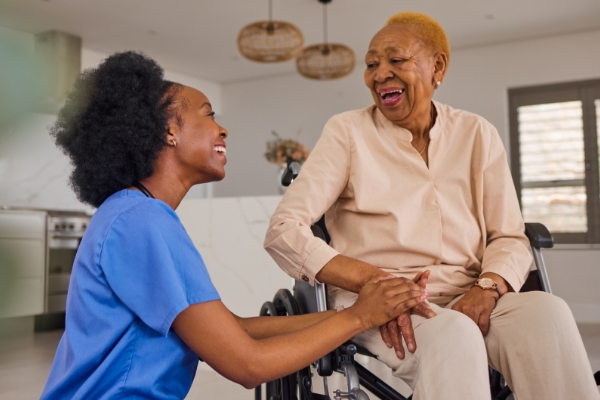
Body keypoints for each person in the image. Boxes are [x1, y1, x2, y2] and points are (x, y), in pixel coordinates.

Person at [39, 51, 430, 399]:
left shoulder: (135, 213)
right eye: (208, 113)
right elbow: (247, 365)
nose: (222, 129)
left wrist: (360, 313)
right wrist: (358, 317)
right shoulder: (142, 222)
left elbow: (234, 329)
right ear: (167, 131)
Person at [264, 12, 600, 400]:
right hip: (380, 305)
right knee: (454, 335)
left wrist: (489, 287)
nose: (380, 73)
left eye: (396, 60)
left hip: (470, 293)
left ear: (437, 66)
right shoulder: (347, 132)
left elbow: (508, 234)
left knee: (548, 313)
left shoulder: (477, 134)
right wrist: (375, 283)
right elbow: (283, 229)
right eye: (372, 64)